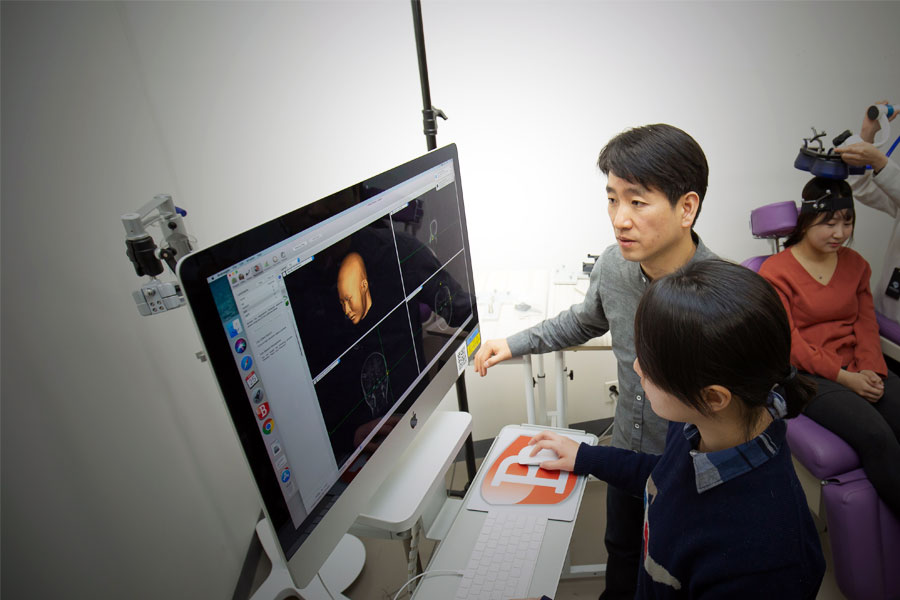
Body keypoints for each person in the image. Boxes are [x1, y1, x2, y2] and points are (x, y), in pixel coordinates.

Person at [474, 123, 717, 599]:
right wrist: (515, 342)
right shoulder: (613, 265)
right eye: (611, 199)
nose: (619, 219)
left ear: (686, 207)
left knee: (669, 570)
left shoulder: (718, 298)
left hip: (689, 467)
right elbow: (584, 320)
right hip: (626, 445)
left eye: (637, 201)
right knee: (621, 549)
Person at [519, 260, 825, 599]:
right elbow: (666, 477)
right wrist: (586, 457)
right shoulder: (697, 428)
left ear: (712, 397)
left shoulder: (763, 562)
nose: (636, 367)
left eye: (650, 365)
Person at [759, 176, 900, 517]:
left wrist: (870, 368)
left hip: (858, 365)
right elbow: (790, 343)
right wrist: (844, 378)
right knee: (876, 436)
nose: (839, 233)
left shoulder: (856, 265)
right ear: (807, 220)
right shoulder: (775, 271)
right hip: (808, 376)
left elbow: (866, 323)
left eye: (847, 222)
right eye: (829, 223)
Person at [835, 100, 900, 325]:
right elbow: (863, 187)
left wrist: (879, 160)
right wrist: (867, 135)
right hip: (887, 314)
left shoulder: (855, 266)